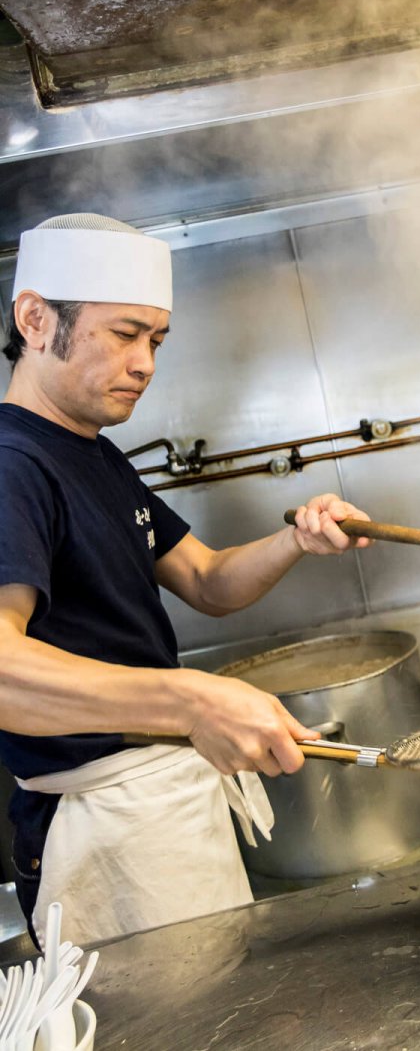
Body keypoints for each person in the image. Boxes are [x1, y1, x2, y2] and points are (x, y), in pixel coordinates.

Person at [0, 212, 372, 948]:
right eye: (125, 334)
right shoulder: (13, 465)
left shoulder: (97, 458)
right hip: (99, 823)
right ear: (37, 319)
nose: (146, 363)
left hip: (159, 808)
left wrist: (293, 538)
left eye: (158, 342)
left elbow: (206, 579)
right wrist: (191, 697)